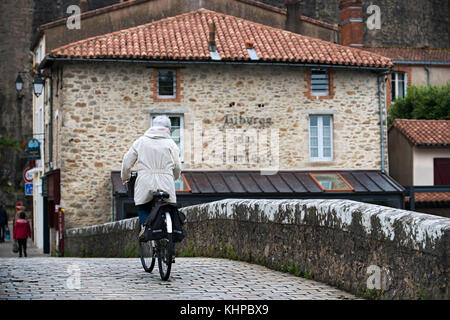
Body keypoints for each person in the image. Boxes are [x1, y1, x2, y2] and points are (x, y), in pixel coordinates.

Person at [121, 115, 181, 237]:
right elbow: (177, 166)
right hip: (166, 181)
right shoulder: (171, 143)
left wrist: (125, 176)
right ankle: (171, 252)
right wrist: (173, 177)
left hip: (145, 181)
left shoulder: (140, 142)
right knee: (169, 208)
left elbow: (127, 163)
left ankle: (144, 226)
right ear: (168, 128)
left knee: (143, 206)